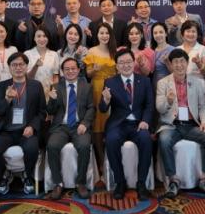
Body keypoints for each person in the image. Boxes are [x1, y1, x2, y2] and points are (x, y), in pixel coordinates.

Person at [156, 49, 205, 198]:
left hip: (192, 124)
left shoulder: (197, 82)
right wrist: (168, 101)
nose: (179, 65)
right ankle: (173, 179)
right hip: (172, 125)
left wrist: (204, 121)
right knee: (164, 140)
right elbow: (160, 109)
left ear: (187, 63)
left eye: (182, 61)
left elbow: (203, 106)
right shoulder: (163, 83)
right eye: (175, 62)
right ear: (170, 64)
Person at [0, 52, 46, 196]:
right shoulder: (1, 86)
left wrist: (32, 126)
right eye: (14, 65)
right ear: (9, 67)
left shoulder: (36, 85)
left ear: (26, 66)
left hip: (26, 130)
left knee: (32, 149)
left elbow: (42, 112)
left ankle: (28, 175)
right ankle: (4, 175)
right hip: (6, 131)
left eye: (21, 64)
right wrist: (7, 99)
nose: (18, 68)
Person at [100, 48, 154, 200]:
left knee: (146, 139)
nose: (126, 65)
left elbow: (149, 105)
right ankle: (120, 182)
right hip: (119, 124)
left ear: (133, 62)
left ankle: (141, 183)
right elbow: (102, 109)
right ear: (117, 66)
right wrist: (106, 100)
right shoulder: (110, 82)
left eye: (128, 62)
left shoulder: (144, 81)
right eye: (122, 63)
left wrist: (145, 121)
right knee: (111, 140)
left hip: (138, 123)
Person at [45, 57, 95, 200]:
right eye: (67, 69)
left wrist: (85, 123)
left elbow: (91, 108)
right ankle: (58, 183)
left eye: (73, 68)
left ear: (78, 70)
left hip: (80, 125)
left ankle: (81, 182)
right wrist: (52, 99)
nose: (70, 71)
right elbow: (50, 111)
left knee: (84, 146)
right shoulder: (56, 87)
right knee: (52, 145)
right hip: (61, 126)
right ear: (62, 71)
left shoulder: (87, 86)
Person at [84, 23, 117, 173]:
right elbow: (87, 74)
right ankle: (101, 161)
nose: (104, 36)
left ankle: (112, 159)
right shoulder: (92, 51)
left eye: (107, 33)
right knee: (98, 125)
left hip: (113, 89)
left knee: (112, 122)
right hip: (97, 89)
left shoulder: (115, 51)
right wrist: (94, 70)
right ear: (97, 35)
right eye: (101, 33)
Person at [25, 26, 60, 94]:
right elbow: (27, 78)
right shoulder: (27, 54)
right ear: (34, 38)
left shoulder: (54, 54)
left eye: (44, 36)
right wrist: (36, 66)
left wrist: (53, 90)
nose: (42, 39)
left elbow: (55, 77)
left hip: (49, 92)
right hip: (33, 91)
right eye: (38, 36)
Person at [151, 22, 173, 90]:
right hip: (154, 86)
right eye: (155, 33)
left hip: (169, 87)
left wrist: (167, 62)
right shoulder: (151, 51)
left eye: (161, 32)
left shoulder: (173, 50)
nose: (158, 35)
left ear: (166, 33)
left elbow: (176, 73)